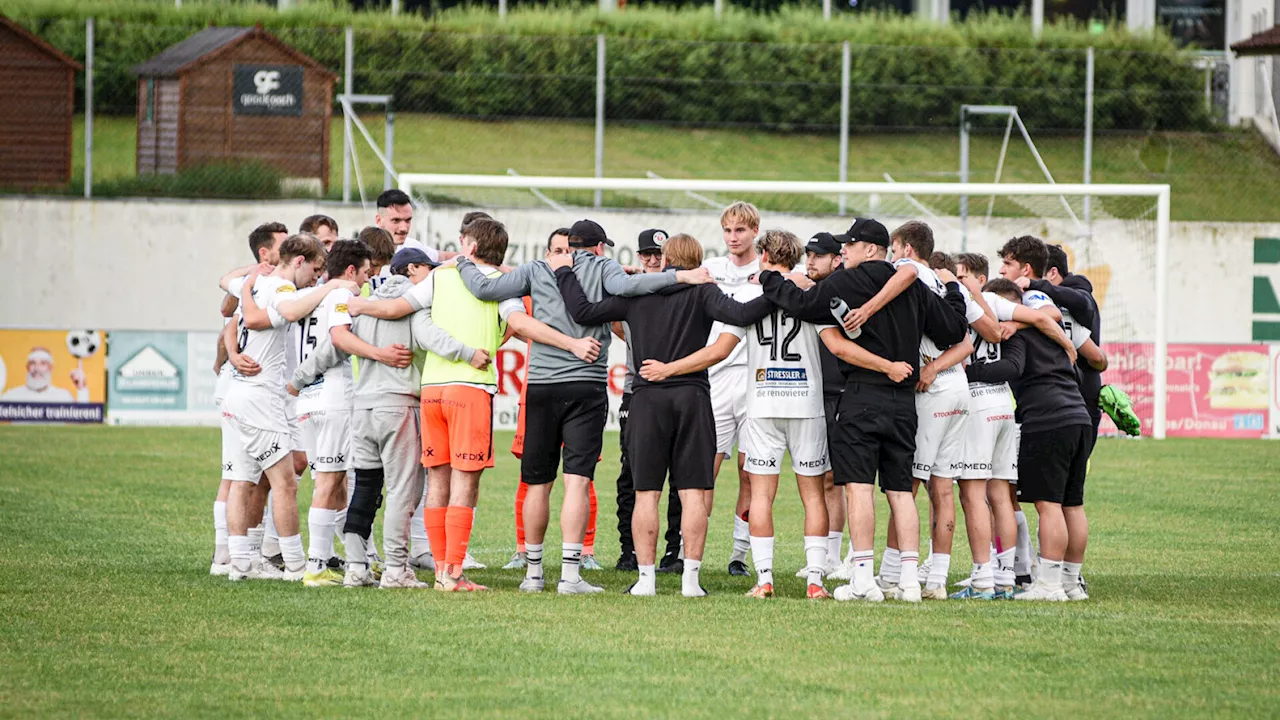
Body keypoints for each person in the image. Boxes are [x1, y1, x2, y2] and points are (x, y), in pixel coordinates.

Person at [452, 219, 711, 594]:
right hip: (587, 385)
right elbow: (630, 287)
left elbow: (482, 287)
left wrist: (462, 261)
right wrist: (680, 278)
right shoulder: (604, 268)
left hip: (540, 384)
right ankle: (571, 575)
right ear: (599, 247)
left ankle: (533, 574)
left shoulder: (536, 269)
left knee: (537, 483)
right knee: (577, 481)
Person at [757, 218, 969, 603]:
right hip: (905, 400)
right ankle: (908, 581)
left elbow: (802, 304)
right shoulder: (916, 287)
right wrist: (953, 288)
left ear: (870, 249)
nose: (843, 253)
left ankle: (863, 579)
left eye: (849, 246)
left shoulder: (847, 281)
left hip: (861, 395)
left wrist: (770, 278)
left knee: (858, 490)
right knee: (901, 492)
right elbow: (954, 332)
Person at [552, 233, 772, 597]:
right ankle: (690, 582)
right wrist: (782, 289)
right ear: (699, 260)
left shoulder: (639, 293)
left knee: (646, 494)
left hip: (647, 399)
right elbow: (744, 314)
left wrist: (564, 273)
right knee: (693, 494)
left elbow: (583, 312)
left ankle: (646, 580)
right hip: (693, 397)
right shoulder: (703, 291)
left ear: (666, 260)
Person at [639, 230, 843, 600]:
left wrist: (669, 368)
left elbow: (718, 351)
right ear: (796, 258)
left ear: (762, 255)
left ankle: (764, 579)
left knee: (761, 495)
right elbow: (836, 345)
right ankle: (815, 580)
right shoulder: (812, 294)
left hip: (763, 403)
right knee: (813, 496)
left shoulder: (749, 295)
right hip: (806, 404)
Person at [291, 247, 461, 588]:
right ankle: (396, 569)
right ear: (412, 272)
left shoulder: (362, 309)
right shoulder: (414, 308)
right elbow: (434, 340)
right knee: (403, 491)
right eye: (429, 270)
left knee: (365, 489)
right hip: (398, 407)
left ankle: (356, 566)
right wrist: (471, 353)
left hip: (362, 408)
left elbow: (331, 346)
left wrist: (297, 380)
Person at [217, 234, 357, 582]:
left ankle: (239, 564)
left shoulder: (258, 282)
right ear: (298, 261)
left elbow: (228, 300)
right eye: (315, 269)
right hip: (261, 400)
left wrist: (249, 280)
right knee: (285, 484)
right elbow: (291, 309)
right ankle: (295, 564)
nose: (316, 277)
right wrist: (332, 286)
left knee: (240, 480)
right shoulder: (282, 289)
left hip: (236, 395)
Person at [950, 254, 1072, 600]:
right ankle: (1005, 576)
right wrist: (1064, 342)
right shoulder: (996, 304)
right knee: (1001, 495)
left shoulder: (957, 298)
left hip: (976, 403)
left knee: (973, 494)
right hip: (1005, 406)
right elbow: (1041, 316)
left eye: (963, 275)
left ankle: (984, 578)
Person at [997, 236, 1093, 600]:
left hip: (1047, 416)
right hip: (1077, 412)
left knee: (1048, 504)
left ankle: (1050, 585)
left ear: (1025, 269)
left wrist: (1014, 324)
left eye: (1007, 264)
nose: (1003, 270)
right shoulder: (1046, 307)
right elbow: (1095, 356)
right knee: (1073, 504)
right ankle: (1071, 582)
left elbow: (1043, 313)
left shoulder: (1030, 299)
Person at [504, 229, 605, 572]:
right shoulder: (534, 282)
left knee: (578, 477)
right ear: (547, 254)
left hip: (556, 386)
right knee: (535, 477)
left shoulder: (589, 283)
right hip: (544, 387)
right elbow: (513, 326)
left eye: (569, 250)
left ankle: (583, 553)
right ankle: (529, 555)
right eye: (557, 250)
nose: (564, 256)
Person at [209, 222, 288, 576]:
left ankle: (241, 557)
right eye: (281, 248)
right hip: (244, 388)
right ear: (265, 254)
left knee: (248, 474)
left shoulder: (257, 285)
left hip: (254, 388)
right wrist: (231, 354)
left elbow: (230, 311)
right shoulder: (261, 283)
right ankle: (226, 555)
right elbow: (233, 316)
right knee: (239, 475)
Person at [613, 228, 684, 574]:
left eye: (659, 254)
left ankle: (674, 550)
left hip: (680, 390)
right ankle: (629, 549)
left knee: (681, 475)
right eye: (647, 254)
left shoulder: (683, 289)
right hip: (636, 391)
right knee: (633, 473)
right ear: (639, 257)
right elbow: (615, 322)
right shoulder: (632, 294)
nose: (653, 259)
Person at [704, 201, 763, 576]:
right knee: (704, 468)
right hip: (717, 378)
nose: (733, 237)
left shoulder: (770, 271)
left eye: (740, 230)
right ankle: (684, 551)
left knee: (750, 471)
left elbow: (810, 280)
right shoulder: (710, 269)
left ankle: (739, 555)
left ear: (755, 231)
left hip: (757, 381)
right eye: (727, 230)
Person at [0, 348, 87, 403]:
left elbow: (84, 421)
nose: (37, 368)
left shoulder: (63, 396)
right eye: (32, 363)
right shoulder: (11, 396)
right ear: (27, 367)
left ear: (50, 368)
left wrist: (82, 388)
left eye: (43, 363)